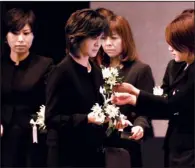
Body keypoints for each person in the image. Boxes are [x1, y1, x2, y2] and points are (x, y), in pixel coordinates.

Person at [45, 8, 130, 167]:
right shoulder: (61, 72)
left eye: (100, 37)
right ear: (76, 37)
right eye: (93, 37)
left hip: (93, 153)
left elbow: (97, 109)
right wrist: (87, 118)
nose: (98, 43)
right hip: (67, 155)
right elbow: (52, 118)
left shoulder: (96, 71)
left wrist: (113, 119)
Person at [112, 12, 194, 167]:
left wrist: (135, 95)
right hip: (174, 148)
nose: (170, 48)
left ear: (189, 43)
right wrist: (134, 96)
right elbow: (165, 106)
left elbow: (174, 104)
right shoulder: (179, 66)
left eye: (175, 43)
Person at [96, 14, 155, 167]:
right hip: (97, 143)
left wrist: (140, 125)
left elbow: (146, 108)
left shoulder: (140, 70)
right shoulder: (96, 69)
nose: (108, 43)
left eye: (114, 38)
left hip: (125, 143)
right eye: (104, 38)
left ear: (125, 39)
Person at [1, 8, 54, 167]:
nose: (20, 39)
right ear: (6, 35)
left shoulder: (45, 65)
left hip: (32, 137)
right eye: (15, 33)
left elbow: (50, 101)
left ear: (33, 35)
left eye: (26, 33)